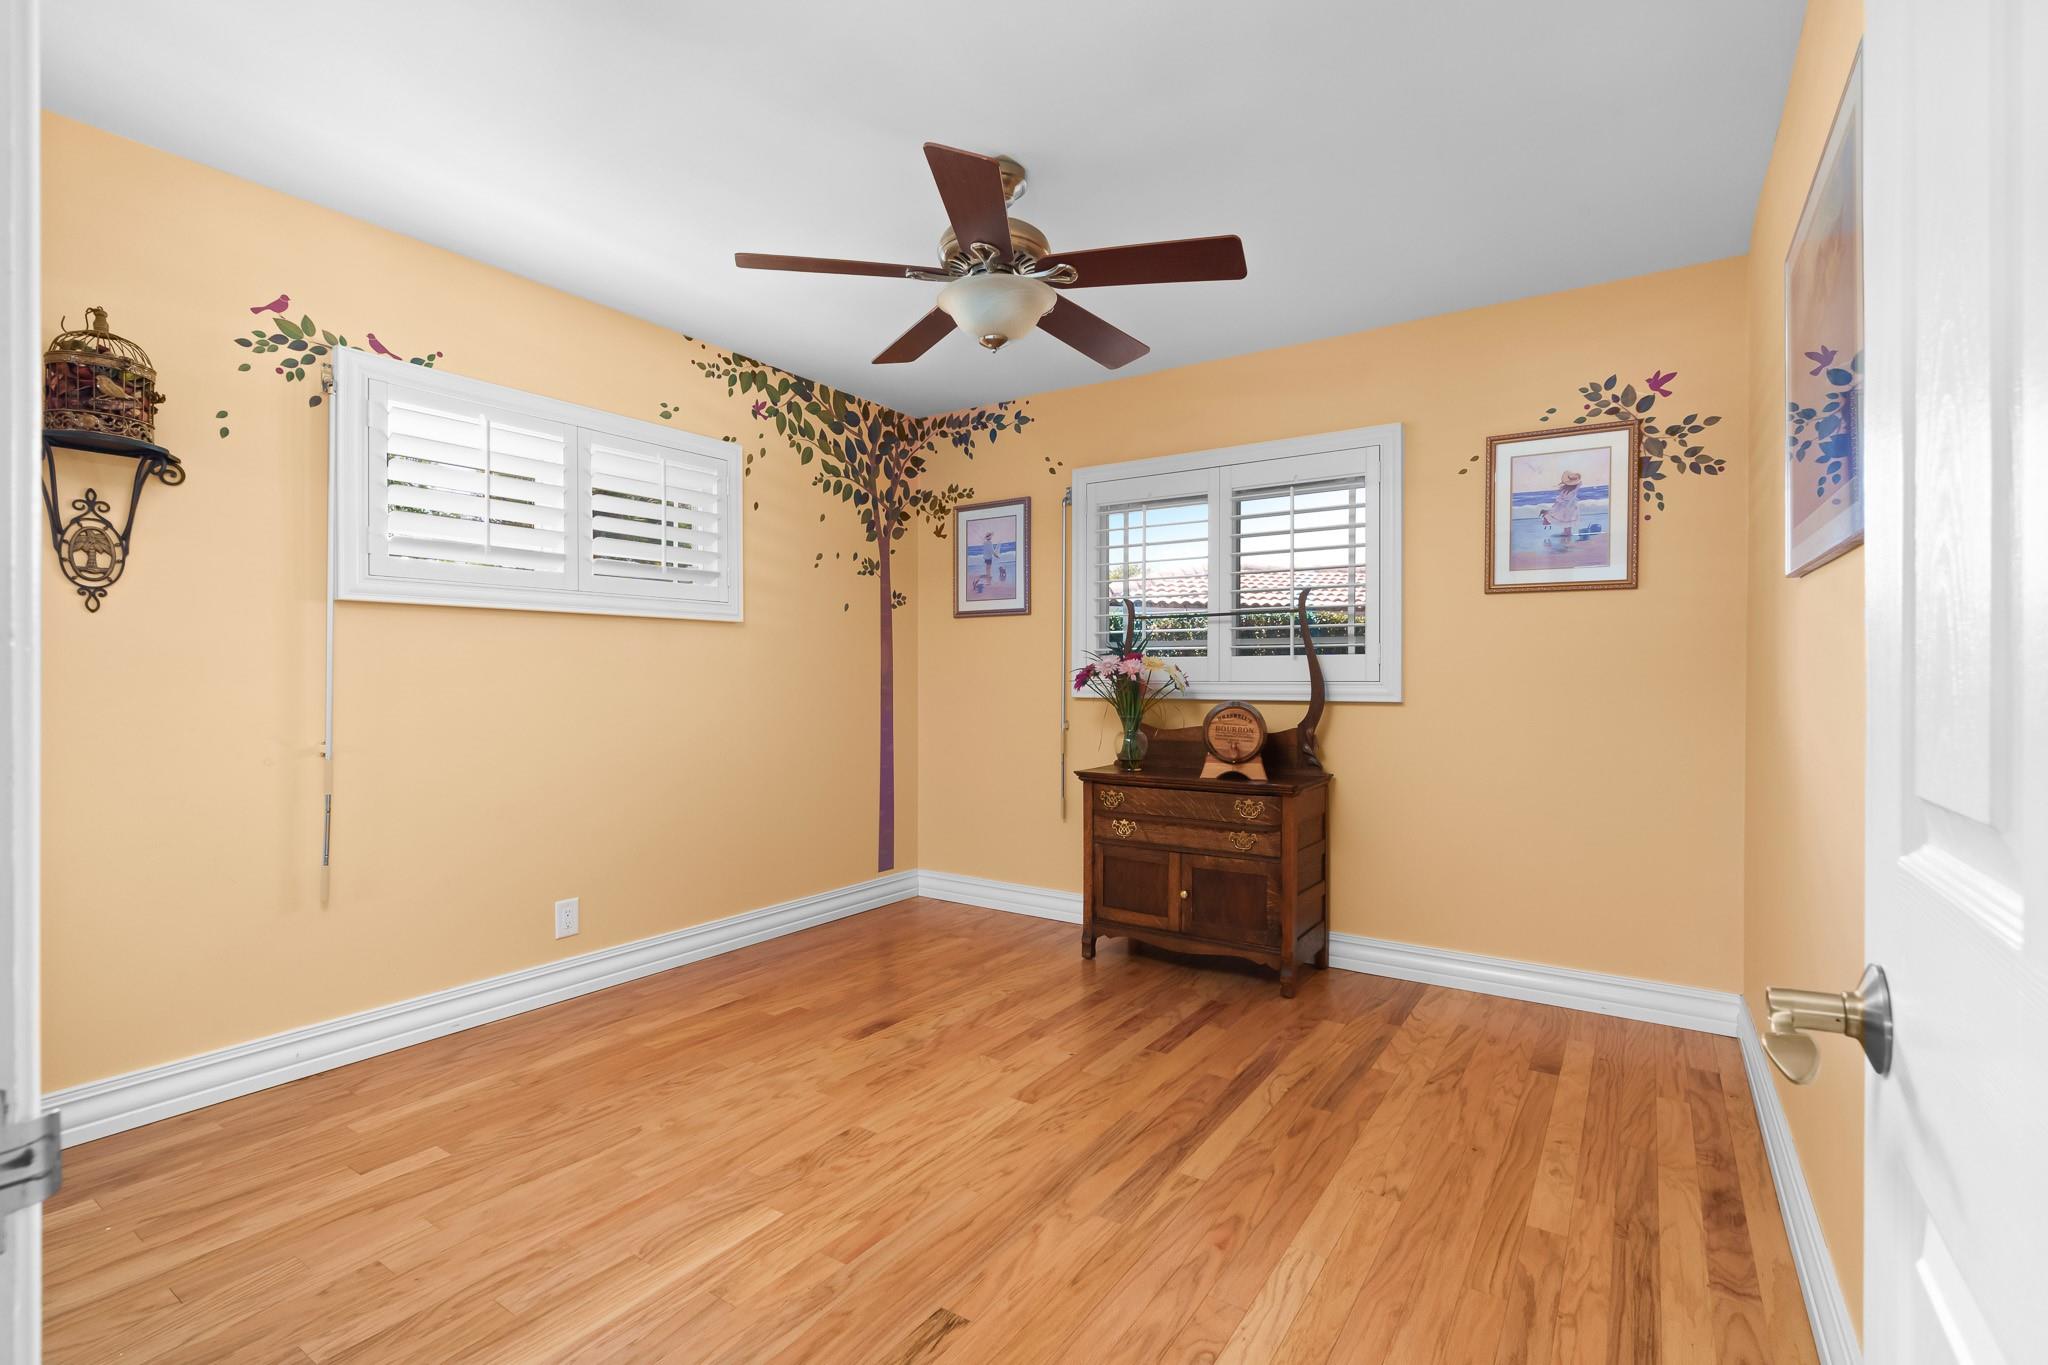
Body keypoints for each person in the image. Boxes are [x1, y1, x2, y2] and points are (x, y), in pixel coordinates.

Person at [1538, 467, 1583, 547]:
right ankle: (1567, 533)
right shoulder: (1574, 489)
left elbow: (1561, 499)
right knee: (1568, 521)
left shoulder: (1564, 489)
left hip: (1565, 506)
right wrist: (1576, 478)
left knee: (1566, 520)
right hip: (1570, 507)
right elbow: (1580, 483)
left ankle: (1567, 533)